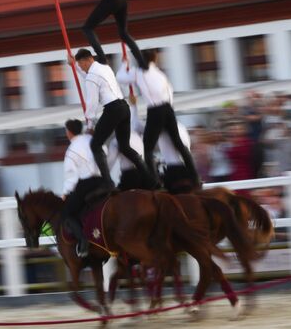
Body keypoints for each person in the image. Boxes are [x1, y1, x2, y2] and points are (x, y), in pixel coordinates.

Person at [116, 49, 201, 188]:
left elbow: (120, 78)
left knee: (147, 149)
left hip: (174, 173)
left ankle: (153, 182)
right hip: (185, 169)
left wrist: (133, 106)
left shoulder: (141, 72)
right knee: (180, 145)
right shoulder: (162, 76)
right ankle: (195, 176)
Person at [74, 48, 155, 190]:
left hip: (112, 110)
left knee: (95, 145)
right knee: (125, 146)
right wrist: (73, 66)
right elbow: (88, 76)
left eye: (80, 65)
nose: (81, 68)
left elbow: (91, 103)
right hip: (124, 108)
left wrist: (90, 125)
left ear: (86, 60)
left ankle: (107, 183)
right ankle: (149, 177)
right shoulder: (105, 68)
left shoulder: (92, 76)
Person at [61, 119, 107, 258]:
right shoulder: (92, 139)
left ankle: (83, 242)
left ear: (69, 132)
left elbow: (72, 176)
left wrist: (65, 193)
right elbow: (105, 153)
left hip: (86, 184)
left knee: (68, 212)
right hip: (103, 181)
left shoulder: (72, 148)